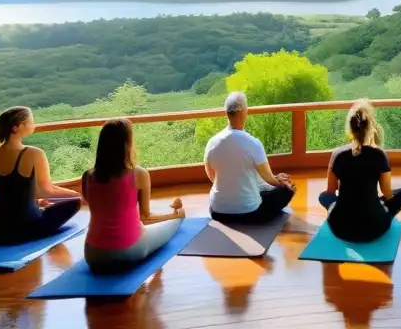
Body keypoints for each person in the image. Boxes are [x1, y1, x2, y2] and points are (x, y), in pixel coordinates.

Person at [82, 118, 186, 274]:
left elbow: (100, 207)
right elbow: (146, 216)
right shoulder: (139, 174)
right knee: (179, 217)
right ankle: (179, 215)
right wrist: (175, 214)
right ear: (126, 145)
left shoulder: (87, 176)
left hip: (93, 254)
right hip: (129, 251)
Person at [0, 106, 82, 245]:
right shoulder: (35, 154)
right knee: (75, 202)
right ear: (16, 128)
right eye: (29, 122)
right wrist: (78, 195)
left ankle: (35, 208)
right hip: (27, 227)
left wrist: (32, 200)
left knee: (42, 204)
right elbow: (46, 191)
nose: (33, 125)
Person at [319, 99, 401, 242]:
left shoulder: (338, 155)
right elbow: (387, 194)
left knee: (323, 197)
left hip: (340, 228)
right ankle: (374, 204)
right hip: (374, 227)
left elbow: (331, 191)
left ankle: (365, 204)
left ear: (350, 129)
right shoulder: (379, 154)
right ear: (370, 127)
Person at [204, 91, 296, 224]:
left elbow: (211, 176)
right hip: (250, 213)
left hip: (217, 211)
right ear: (244, 112)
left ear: (226, 113)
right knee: (287, 190)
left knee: (259, 186)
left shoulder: (212, 142)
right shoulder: (253, 143)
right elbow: (269, 180)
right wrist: (281, 182)